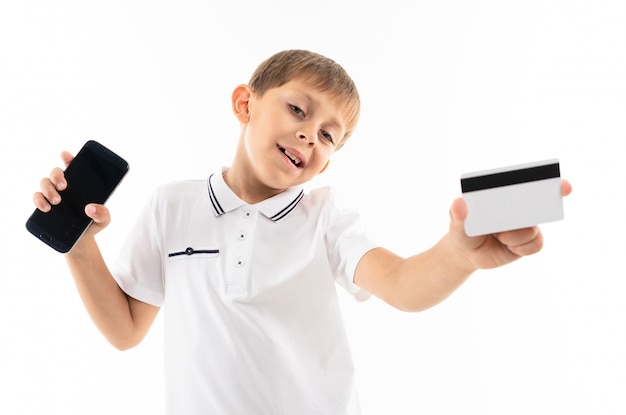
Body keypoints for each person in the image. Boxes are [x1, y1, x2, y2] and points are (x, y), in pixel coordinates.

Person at [33, 49, 572, 414]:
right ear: (246, 104)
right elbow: (126, 331)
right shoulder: (171, 204)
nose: (308, 135)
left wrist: (459, 254)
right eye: (297, 109)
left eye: (328, 136)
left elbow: (403, 284)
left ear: (327, 163)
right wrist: (78, 246)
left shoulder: (325, 216)